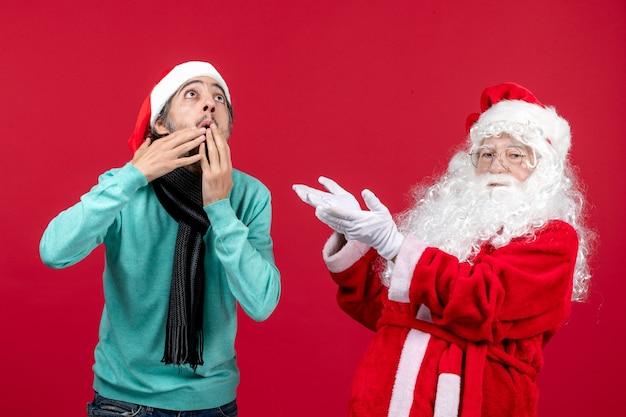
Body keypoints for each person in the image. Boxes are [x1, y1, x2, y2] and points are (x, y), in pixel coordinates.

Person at [293, 82, 594, 417]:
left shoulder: (553, 238)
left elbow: (483, 300)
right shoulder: (448, 225)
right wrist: (356, 237)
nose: (497, 165)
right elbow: (385, 310)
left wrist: (395, 246)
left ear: (544, 169)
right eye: (487, 153)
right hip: (386, 400)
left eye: (515, 154)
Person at [40, 60, 281, 416]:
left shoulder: (250, 196)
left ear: (228, 127)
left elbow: (262, 303)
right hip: (124, 401)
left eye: (219, 99)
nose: (209, 104)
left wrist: (219, 207)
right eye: (192, 94)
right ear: (160, 123)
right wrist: (133, 176)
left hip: (212, 404)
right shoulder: (125, 186)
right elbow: (54, 250)